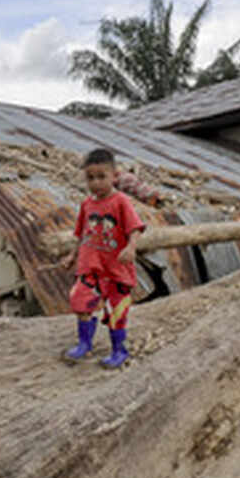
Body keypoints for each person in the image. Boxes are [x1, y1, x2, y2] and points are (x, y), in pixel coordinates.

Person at [61, 148, 145, 369]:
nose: (96, 182)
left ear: (114, 176)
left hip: (116, 270)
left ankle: (119, 350)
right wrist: (73, 255)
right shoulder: (87, 205)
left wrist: (131, 247)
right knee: (80, 302)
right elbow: (82, 234)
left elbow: (135, 228)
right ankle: (84, 343)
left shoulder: (121, 202)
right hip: (90, 267)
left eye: (101, 177)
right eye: (90, 178)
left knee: (117, 312)